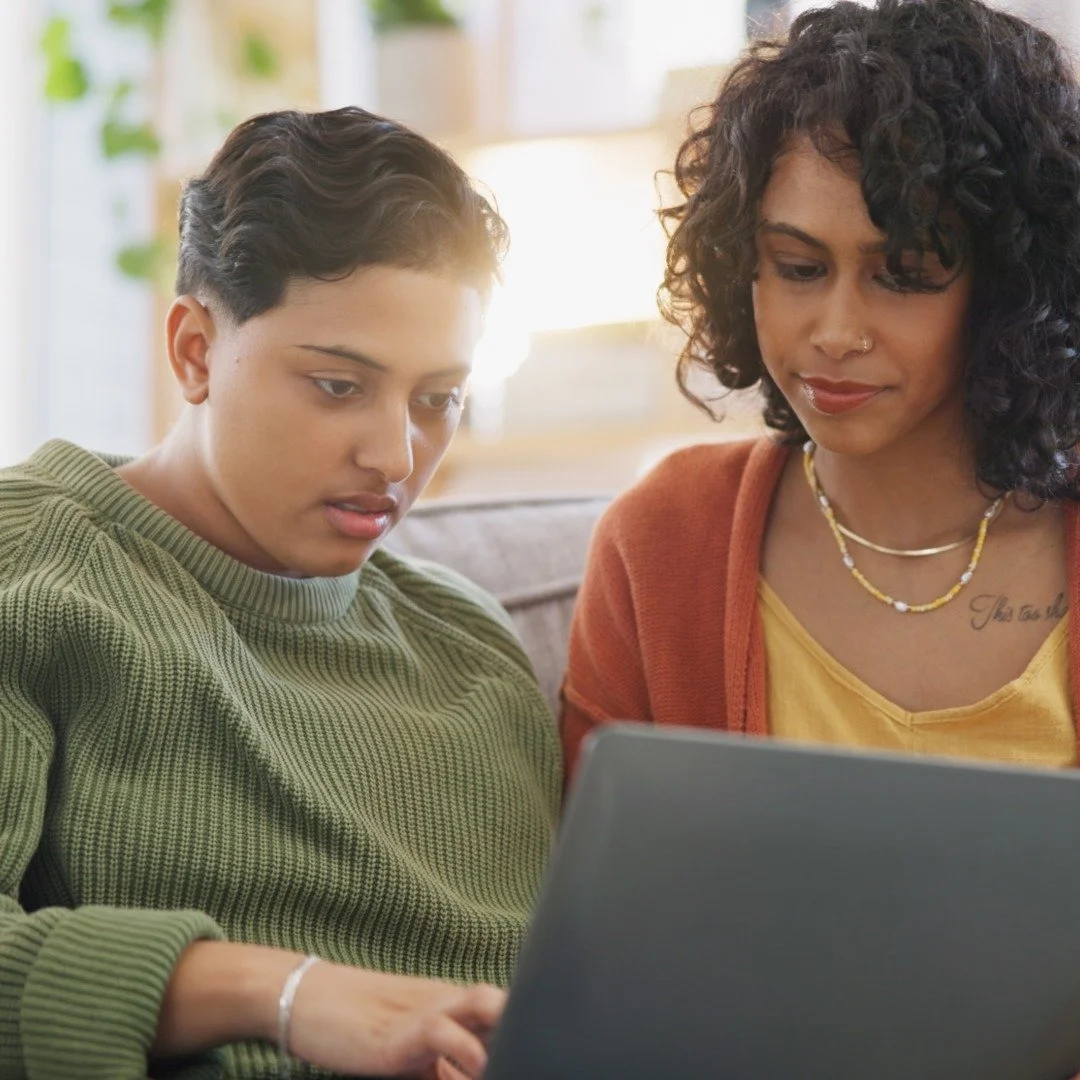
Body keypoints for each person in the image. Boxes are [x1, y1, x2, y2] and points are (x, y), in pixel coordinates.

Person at [0, 107, 562, 1079]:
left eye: (437, 401)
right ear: (192, 351)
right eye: (339, 386)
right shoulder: (31, 567)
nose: (394, 456)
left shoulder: (466, 646)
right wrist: (286, 993)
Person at [562, 0, 1080, 776]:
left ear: (1009, 288)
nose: (836, 332)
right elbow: (610, 885)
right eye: (800, 269)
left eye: (903, 276)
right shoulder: (661, 544)